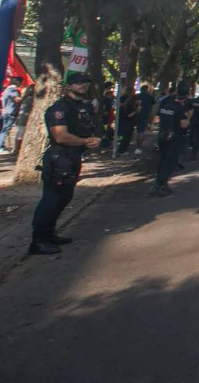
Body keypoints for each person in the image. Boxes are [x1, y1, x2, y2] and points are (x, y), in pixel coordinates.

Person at [28, 72, 101, 255]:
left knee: (64, 198)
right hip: (59, 159)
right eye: (78, 83)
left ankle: (50, 234)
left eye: (85, 83)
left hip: (72, 157)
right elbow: (60, 136)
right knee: (51, 200)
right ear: (68, 86)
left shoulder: (80, 107)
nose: (82, 85)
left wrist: (89, 141)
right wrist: (85, 141)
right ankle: (38, 241)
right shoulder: (60, 108)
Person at [150, 84, 191, 197]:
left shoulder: (166, 106)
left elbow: (156, 119)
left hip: (162, 135)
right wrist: (187, 119)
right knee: (170, 162)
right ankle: (159, 185)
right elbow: (183, 125)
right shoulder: (180, 108)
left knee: (162, 159)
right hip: (174, 137)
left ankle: (160, 182)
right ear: (186, 96)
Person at [1, 75, 23, 153]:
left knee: (3, 130)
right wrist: (25, 97)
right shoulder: (13, 91)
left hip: (5, 112)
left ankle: (1, 146)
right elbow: (18, 100)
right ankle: (0, 147)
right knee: (5, 131)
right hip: (10, 113)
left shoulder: (7, 90)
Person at [116, 84, 139, 155]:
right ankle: (122, 150)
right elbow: (130, 115)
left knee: (124, 135)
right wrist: (136, 111)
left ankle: (121, 148)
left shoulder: (122, 98)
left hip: (122, 119)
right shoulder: (131, 101)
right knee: (127, 136)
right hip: (128, 120)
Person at [134, 83, 156, 155]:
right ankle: (139, 146)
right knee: (141, 131)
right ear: (147, 90)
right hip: (145, 115)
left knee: (138, 131)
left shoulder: (137, 96)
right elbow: (154, 103)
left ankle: (137, 145)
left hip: (135, 114)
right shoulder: (150, 97)